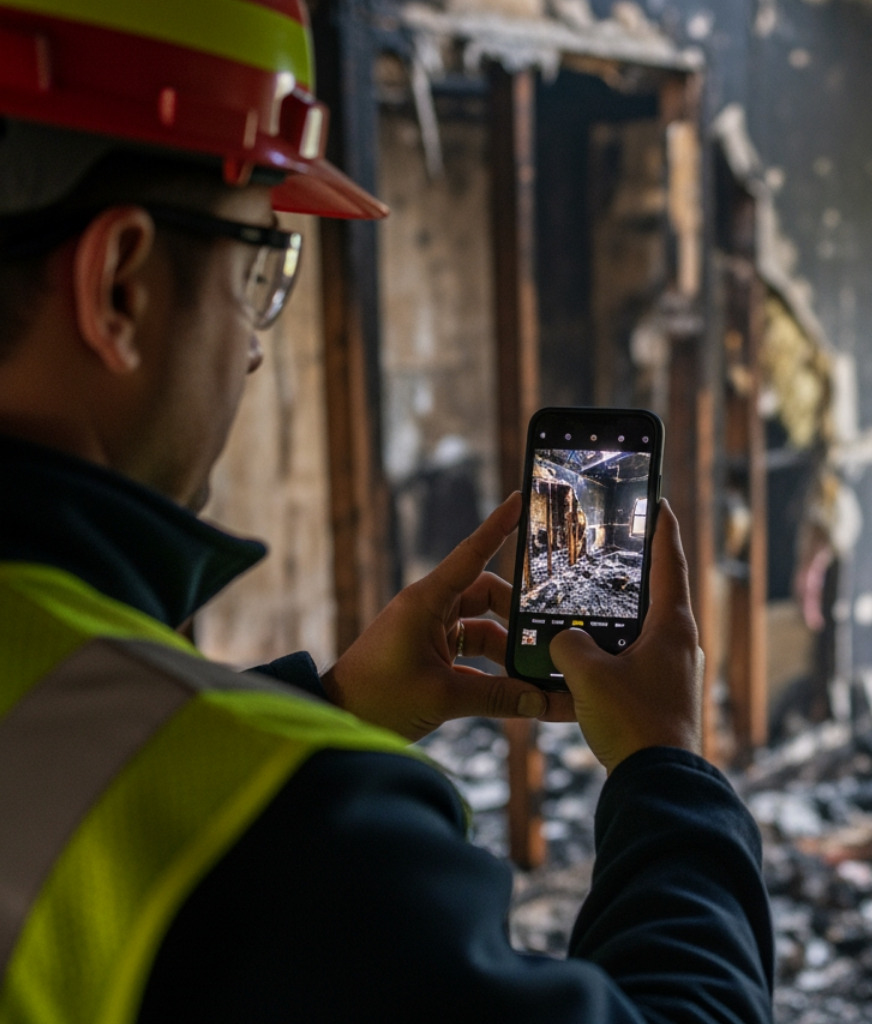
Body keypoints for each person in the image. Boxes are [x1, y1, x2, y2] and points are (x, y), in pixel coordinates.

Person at [0, 2, 773, 1022]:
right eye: (258, 272)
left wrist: (335, 705)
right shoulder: (303, 838)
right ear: (123, 285)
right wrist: (667, 767)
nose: (254, 346)